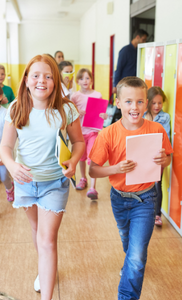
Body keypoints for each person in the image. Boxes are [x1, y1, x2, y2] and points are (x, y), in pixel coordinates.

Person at [0, 54, 84, 300]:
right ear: (26, 80)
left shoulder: (66, 109)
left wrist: (74, 160)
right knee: (37, 232)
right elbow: (5, 147)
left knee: (47, 240)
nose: (41, 81)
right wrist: (12, 166)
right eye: (35, 75)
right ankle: (44, 268)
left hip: (54, 184)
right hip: (25, 183)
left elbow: (79, 142)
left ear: (55, 82)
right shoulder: (16, 108)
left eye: (48, 76)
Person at [89, 77, 173, 300]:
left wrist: (164, 160)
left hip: (146, 198)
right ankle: (130, 265)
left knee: (136, 256)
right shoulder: (108, 133)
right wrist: (116, 168)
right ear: (118, 103)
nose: (134, 108)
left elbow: (167, 160)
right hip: (119, 198)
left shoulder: (156, 130)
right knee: (128, 242)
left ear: (146, 104)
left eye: (139, 102)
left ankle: (126, 295)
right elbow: (93, 171)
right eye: (128, 102)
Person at [70, 68, 107, 199]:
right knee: (81, 158)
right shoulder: (74, 96)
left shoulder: (97, 95)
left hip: (93, 132)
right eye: (81, 78)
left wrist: (104, 115)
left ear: (91, 79)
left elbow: (101, 113)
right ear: (78, 81)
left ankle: (93, 187)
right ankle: (83, 178)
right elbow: (70, 113)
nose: (85, 81)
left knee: (92, 158)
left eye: (87, 78)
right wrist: (77, 111)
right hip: (79, 133)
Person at [143, 86, 171, 226]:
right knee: (143, 184)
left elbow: (163, 136)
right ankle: (145, 212)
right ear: (148, 102)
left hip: (158, 155)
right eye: (153, 103)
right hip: (143, 154)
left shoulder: (165, 117)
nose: (157, 106)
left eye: (160, 103)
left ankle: (157, 214)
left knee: (156, 184)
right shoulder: (142, 115)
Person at [112, 29, 148, 123]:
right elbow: (118, 69)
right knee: (124, 108)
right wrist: (115, 85)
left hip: (135, 85)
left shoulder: (139, 51)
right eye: (143, 39)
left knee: (133, 106)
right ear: (137, 37)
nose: (144, 42)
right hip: (125, 86)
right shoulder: (125, 51)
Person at [0, 80, 14, 223]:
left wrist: (4, 155)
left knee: (5, 177)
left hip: (2, 154)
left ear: (0, 96)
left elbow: (9, 137)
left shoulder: (6, 114)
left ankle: (10, 188)